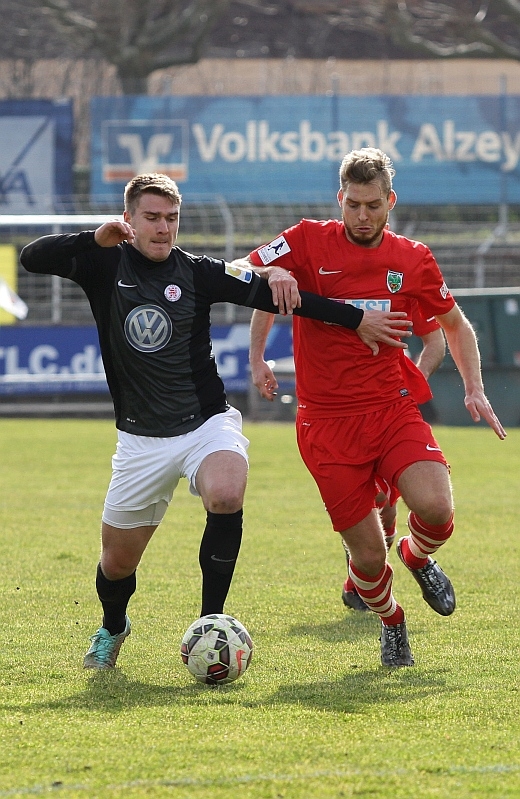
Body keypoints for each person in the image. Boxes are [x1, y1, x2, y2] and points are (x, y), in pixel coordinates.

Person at [20, 172, 412, 671]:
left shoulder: (198, 271)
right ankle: (113, 626)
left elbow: (276, 298)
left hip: (206, 424)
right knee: (116, 564)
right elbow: (32, 257)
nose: (163, 228)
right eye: (151, 218)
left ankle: (211, 623)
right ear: (129, 219)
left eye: (171, 218)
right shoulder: (102, 263)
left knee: (226, 492)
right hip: (140, 439)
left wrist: (349, 315)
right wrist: (92, 238)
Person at [236, 148, 506, 668]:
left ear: (391, 202)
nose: (362, 216)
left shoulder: (413, 258)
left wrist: (474, 387)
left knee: (437, 509)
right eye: (353, 205)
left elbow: (454, 326)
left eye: (373, 206)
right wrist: (270, 288)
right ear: (340, 198)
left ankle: (417, 556)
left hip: (390, 409)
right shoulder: (306, 240)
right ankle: (392, 619)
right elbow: (245, 269)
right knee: (366, 556)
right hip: (325, 422)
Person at [250, 298, 445, 613]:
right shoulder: (315, 274)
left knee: (396, 507)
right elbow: (267, 289)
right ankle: (362, 583)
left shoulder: (401, 278)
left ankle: (408, 559)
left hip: (389, 413)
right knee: (373, 512)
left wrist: (413, 382)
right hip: (333, 420)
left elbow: (435, 339)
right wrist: (257, 357)